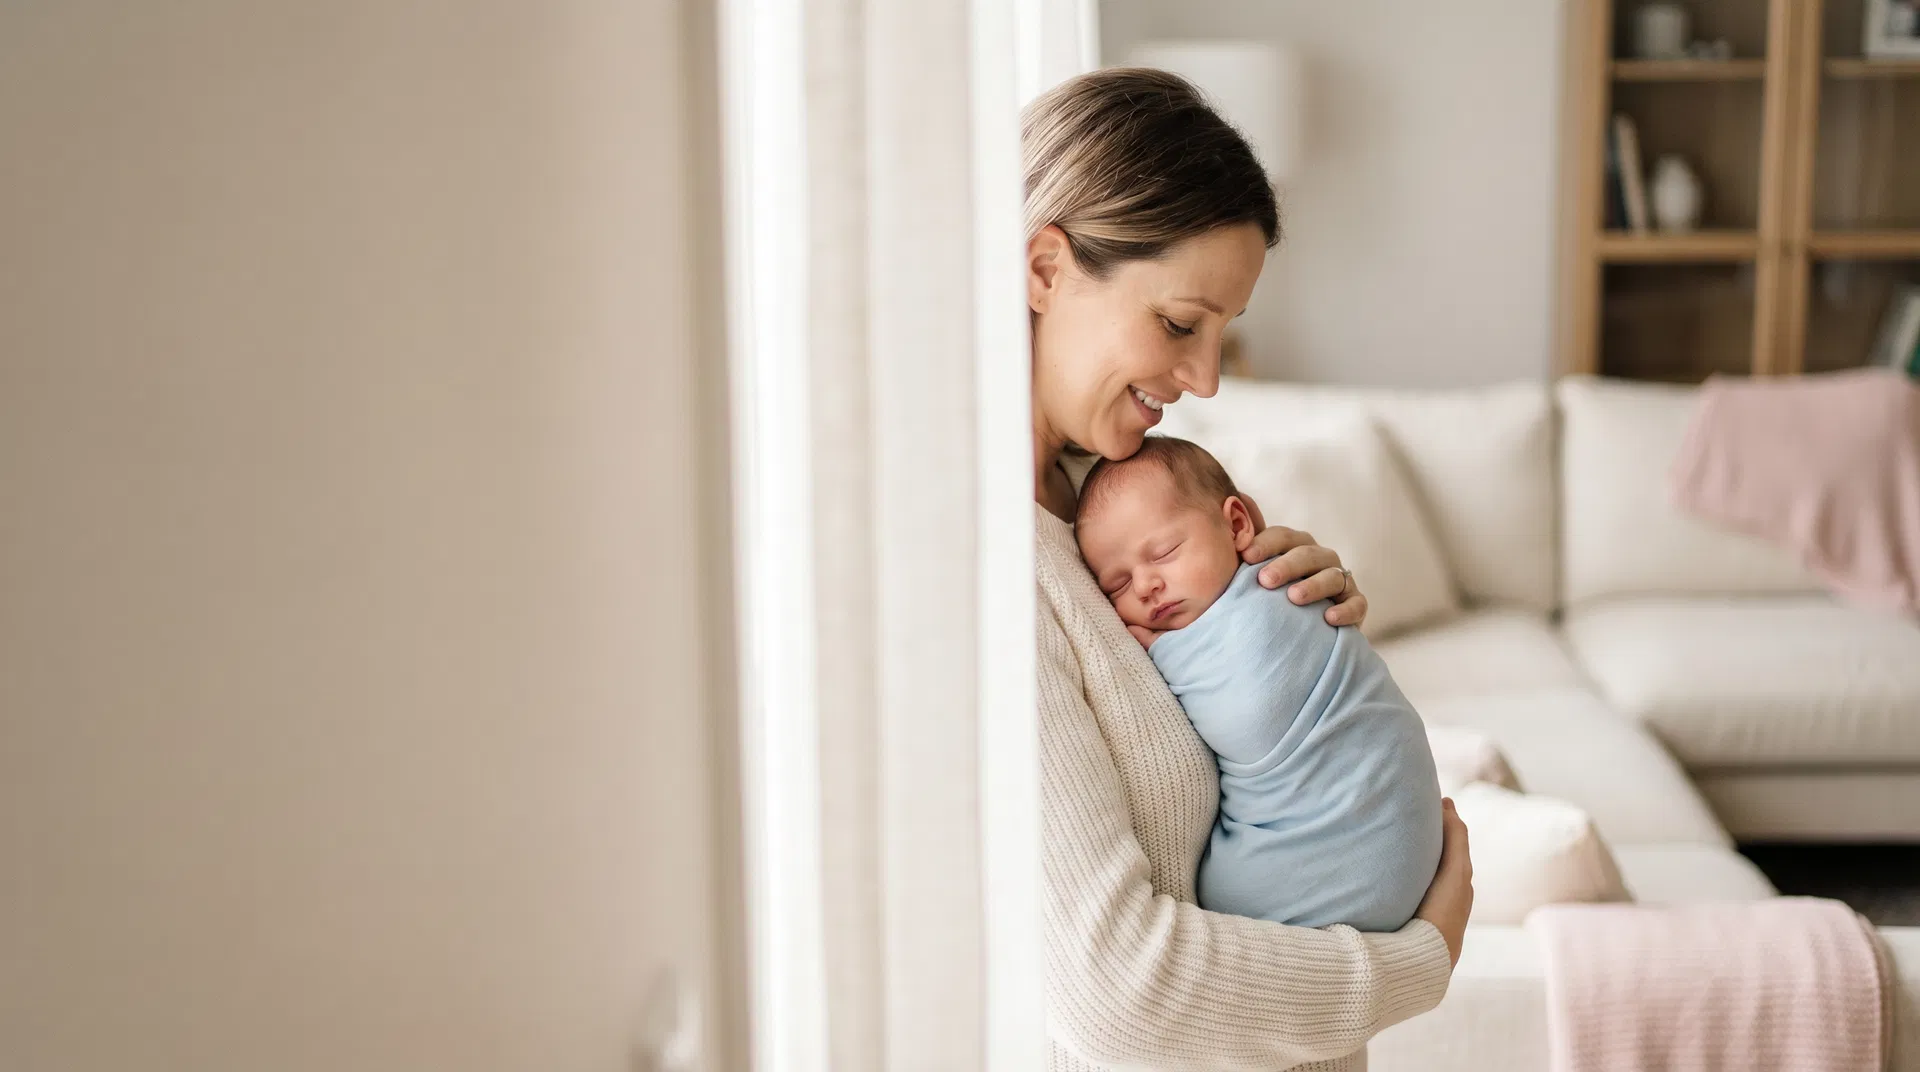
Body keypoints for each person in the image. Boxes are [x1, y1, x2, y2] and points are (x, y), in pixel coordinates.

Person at [1027, 68, 1474, 1070]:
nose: (1207, 379)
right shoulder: (989, 578)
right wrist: (1421, 959)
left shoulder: (1102, 508)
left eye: (1221, 333)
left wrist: (1276, 623)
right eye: (1183, 324)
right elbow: (1117, 994)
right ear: (1046, 269)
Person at [1075, 436, 1443, 934]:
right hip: (1389, 874)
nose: (1144, 586)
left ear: (1236, 524)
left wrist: (1165, 652)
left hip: (1366, 846)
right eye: (1116, 585)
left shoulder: (1279, 590)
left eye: (1164, 552)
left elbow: (1256, 708)